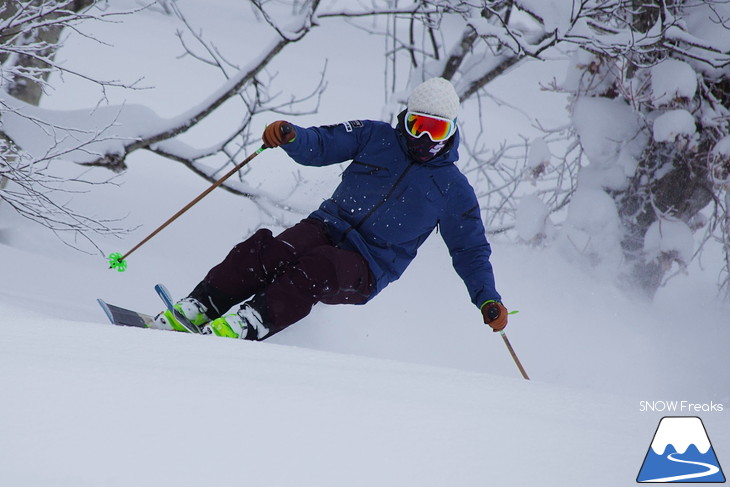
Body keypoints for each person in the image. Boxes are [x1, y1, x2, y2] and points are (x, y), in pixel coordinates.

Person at [152, 77, 508, 339]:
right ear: (405, 120)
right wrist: (292, 135)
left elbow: (470, 250)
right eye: (418, 126)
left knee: (317, 268)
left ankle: (249, 323)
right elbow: (323, 144)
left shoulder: (453, 190)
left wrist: (487, 299)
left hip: (371, 264)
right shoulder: (375, 137)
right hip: (326, 225)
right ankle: (201, 306)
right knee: (270, 251)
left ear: (451, 131)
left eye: (436, 130)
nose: (424, 139)